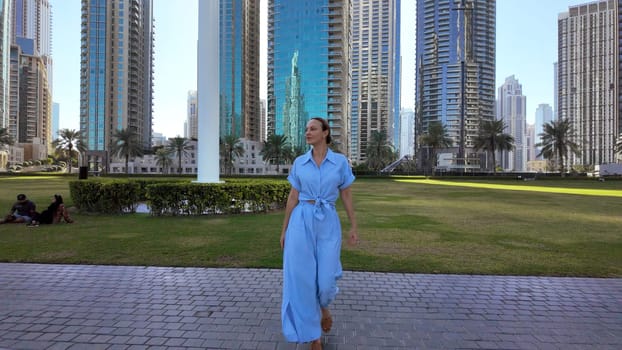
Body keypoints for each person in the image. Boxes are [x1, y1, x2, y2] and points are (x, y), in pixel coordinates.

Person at [280, 117, 359, 350]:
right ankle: (314, 337)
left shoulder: (340, 162)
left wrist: (354, 226)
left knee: (325, 281)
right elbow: (293, 197)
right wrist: (284, 230)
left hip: (328, 223)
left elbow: (346, 195)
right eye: (306, 129)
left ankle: (324, 308)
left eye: (312, 128)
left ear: (325, 132)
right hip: (300, 221)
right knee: (303, 280)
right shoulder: (299, 163)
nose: (307, 132)